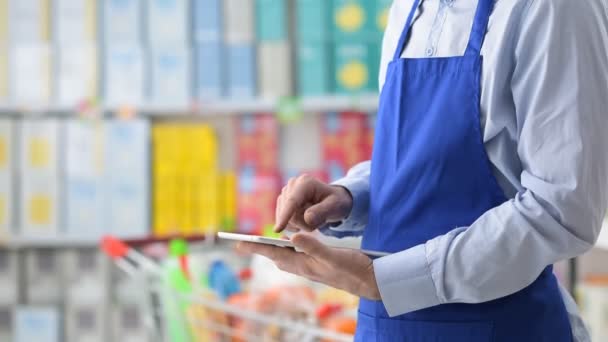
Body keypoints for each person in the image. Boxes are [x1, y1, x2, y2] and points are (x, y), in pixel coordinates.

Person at [238, 0, 608, 340]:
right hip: (385, 326)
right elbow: (427, 160)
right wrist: (350, 197)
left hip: (501, 327)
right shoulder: (408, 9)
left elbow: (561, 209)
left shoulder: (554, 8)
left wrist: (389, 281)